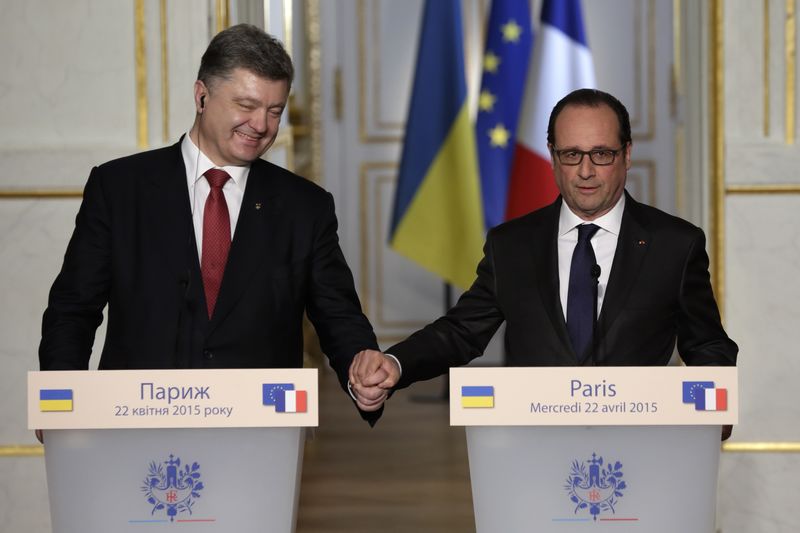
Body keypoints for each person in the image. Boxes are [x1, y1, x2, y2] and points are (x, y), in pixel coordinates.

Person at [39, 24, 386, 422]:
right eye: (246, 106)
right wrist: (58, 405)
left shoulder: (305, 207)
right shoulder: (119, 188)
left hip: (257, 427)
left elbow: (337, 312)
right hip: (134, 423)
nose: (260, 125)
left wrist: (362, 365)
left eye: (275, 111)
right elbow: (73, 308)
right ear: (201, 95)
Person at [349, 89, 737, 438]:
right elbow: (462, 331)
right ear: (552, 156)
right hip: (534, 450)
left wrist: (714, 411)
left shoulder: (674, 244)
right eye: (571, 155)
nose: (585, 171)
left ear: (627, 155)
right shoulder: (512, 245)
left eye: (601, 154)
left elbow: (707, 344)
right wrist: (397, 364)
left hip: (639, 451)